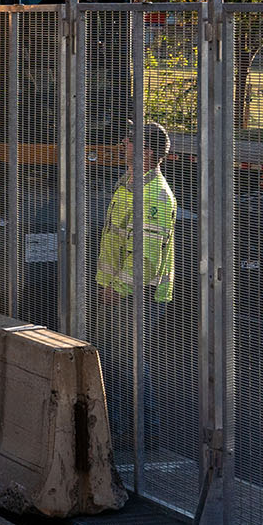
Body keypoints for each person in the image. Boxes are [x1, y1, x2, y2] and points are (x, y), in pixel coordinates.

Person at [96, 122, 178, 448]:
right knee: (115, 358)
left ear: (147, 152)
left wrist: (117, 288)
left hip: (139, 292)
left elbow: (144, 257)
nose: (122, 143)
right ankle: (119, 428)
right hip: (119, 289)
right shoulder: (130, 183)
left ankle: (145, 431)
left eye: (129, 140)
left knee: (129, 360)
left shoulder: (155, 196)